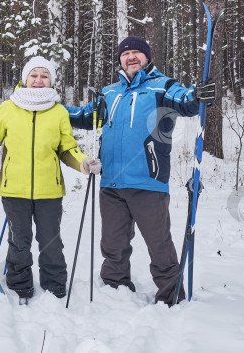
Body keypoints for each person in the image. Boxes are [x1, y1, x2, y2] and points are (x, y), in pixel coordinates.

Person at [0, 56, 101, 303]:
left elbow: (67, 149)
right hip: (14, 191)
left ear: (51, 81)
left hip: (49, 191)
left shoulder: (58, 112)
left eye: (44, 76)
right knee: (19, 241)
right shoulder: (8, 108)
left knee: (51, 242)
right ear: (25, 79)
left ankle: (55, 286)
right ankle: (20, 286)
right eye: (34, 75)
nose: (38, 80)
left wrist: (83, 162)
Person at [64, 36, 215, 305]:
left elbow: (186, 101)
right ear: (120, 59)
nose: (131, 57)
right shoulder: (110, 93)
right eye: (126, 53)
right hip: (110, 183)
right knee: (112, 243)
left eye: (137, 53)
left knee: (159, 244)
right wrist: (48, 108)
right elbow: (85, 116)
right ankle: (114, 286)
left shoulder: (162, 87)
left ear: (147, 57)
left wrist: (197, 95)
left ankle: (170, 294)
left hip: (148, 181)